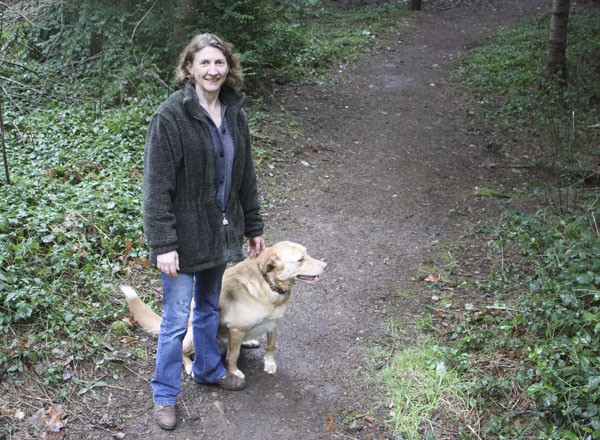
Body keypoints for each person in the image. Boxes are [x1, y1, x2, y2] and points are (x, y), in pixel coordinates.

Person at [142, 33, 266, 431]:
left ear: (228, 68)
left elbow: (245, 174)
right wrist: (164, 244)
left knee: (210, 307)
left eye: (219, 63)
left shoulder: (234, 113)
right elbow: (156, 186)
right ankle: (164, 394)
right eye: (204, 63)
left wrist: (253, 226)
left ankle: (210, 370)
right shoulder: (171, 116)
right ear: (189, 69)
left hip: (220, 231)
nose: (212, 71)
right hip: (181, 239)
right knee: (177, 320)